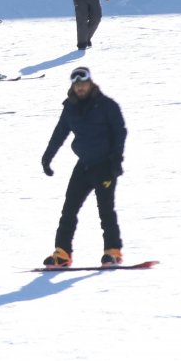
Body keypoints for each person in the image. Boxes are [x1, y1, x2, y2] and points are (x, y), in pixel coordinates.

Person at [39, 67, 127, 268]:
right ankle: (62, 253)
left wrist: (115, 161)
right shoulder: (70, 107)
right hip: (84, 165)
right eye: (76, 85)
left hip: (105, 165)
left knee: (106, 211)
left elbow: (120, 132)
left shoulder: (106, 105)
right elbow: (60, 133)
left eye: (83, 84)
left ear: (90, 83)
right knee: (68, 210)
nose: (80, 88)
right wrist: (47, 157)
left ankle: (113, 252)